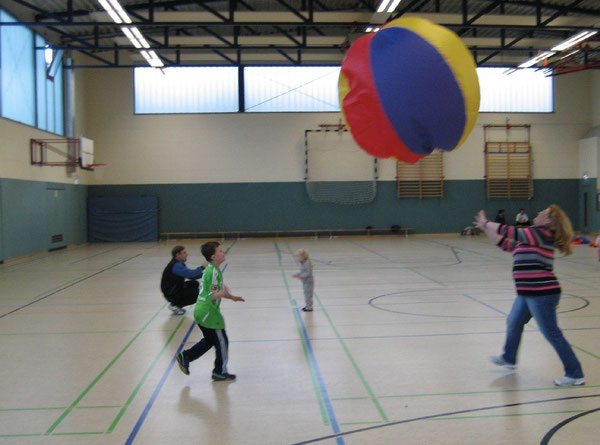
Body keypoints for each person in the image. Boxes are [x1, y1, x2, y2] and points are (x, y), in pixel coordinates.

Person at [473, 205, 585, 387]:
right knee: (514, 321)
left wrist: (487, 222)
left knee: (552, 334)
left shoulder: (541, 233)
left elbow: (510, 231)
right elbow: (503, 243)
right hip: (527, 293)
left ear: (548, 220)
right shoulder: (531, 237)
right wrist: (486, 228)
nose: (539, 212)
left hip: (542, 294)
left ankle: (575, 373)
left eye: (543, 212)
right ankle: (509, 358)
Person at [176, 241, 245, 381]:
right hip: (208, 312)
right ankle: (220, 371)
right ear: (213, 256)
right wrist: (224, 294)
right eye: (220, 251)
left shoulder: (213, 270)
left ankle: (186, 356)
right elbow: (212, 295)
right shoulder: (212, 271)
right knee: (222, 341)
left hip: (202, 311)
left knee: (210, 340)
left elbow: (215, 290)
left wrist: (231, 296)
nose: (223, 252)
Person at [160, 245, 207, 315]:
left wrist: (205, 274)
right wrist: (203, 267)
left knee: (194, 283)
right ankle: (175, 304)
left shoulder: (179, 264)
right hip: (171, 293)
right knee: (198, 293)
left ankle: (176, 304)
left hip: (175, 288)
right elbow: (191, 274)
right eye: (184, 253)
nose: (187, 254)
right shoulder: (175, 266)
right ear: (177, 255)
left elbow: (192, 277)